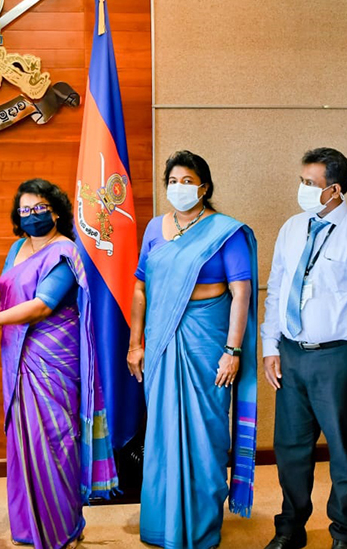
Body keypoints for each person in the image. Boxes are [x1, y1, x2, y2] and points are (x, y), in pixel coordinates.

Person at [0, 178, 118, 549]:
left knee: (56, 441)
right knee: (24, 442)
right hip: (17, 356)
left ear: (56, 211)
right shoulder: (17, 248)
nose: (32, 215)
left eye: (39, 208)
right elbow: (9, 291)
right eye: (24, 210)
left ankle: (63, 527)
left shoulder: (63, 252)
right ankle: (28, 528)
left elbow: (42, 305)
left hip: (53, 360)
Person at [260, 148, 347, 549]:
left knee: (344, 450)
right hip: (293, 354)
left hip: (339, 357)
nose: (301, 189)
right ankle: (289, 529)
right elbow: (276, 291)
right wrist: (271, 345)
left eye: (310, 184)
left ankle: (345, 532)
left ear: (334, 190)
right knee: (290, 450)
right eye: (301, 180)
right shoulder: (291, 228)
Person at [127, 150, 258, 549]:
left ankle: (200, 527)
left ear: (204, 186)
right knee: (163, 432)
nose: (179, 188)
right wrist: (135, 344)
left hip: (207, 342)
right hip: (162, 344)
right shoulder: (154, 228)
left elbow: (241, 293)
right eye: (173, 181)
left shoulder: (225, 231)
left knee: (205, 432)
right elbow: (140, 287)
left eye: (188, 180)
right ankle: (161, 524)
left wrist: (232, 351)